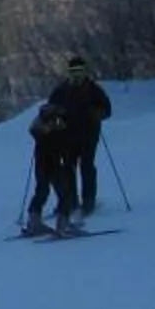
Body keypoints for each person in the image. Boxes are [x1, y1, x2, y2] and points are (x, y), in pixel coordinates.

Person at [44, 54, 115, 216]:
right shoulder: (60, 91)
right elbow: (50, 109)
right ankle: (71, 201)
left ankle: (88, 200)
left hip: (89, 134)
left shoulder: (94, 90)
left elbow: (107, 110)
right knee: (68, 167)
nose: (76, 75)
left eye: (80, 71)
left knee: (86, 165)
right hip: (67, 135)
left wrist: (97, 113)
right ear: (69, 72)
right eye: (73, 71)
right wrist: (51, 119)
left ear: (85, 72)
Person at [23, 99, 81, 234]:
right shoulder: (58, 128)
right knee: (64, 193)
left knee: (42, 191)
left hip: (41, 164)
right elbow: (66, 140)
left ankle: (34, 221)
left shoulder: (38, 129)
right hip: (57, 164)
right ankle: (63, 224)